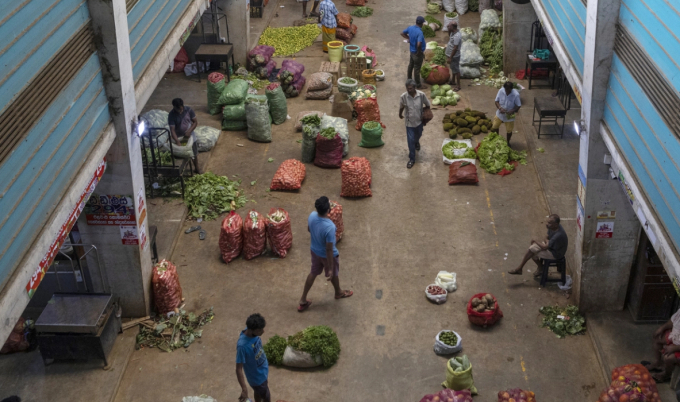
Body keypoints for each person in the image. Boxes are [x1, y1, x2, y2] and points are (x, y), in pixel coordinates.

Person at [298, 196, 353, 312]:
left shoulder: (312, 216)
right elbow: (329, 249)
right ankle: (338, 292)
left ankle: (303, 300)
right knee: (334, 275)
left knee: (313, 273)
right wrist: (331, 268)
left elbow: (309, 229)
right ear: (329, 210)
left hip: (314, 251)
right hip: (327, 255)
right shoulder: (330, 227)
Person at [236, 314, 270, 402]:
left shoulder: (250, 328)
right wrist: (244, 389)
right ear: (251, 330)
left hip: (262, 371)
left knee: (258, 392)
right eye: (259, 330)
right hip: (257, 378)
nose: (263, 332)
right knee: (266, 396)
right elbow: (238, 369)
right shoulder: (242, 346)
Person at [399, 79, 431, 169]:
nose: (409, 90)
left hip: (419, 121)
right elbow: (401, 106)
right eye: (407, 88)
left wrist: (425, 113)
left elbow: (428, 104)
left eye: (410, 88)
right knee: (410, 141)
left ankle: (417, 141)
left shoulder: (421, 95)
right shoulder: (403, 96)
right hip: (409, 123)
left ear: (414, 88)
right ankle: (412, 159)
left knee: (418, 135)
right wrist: (400, 114)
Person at [643, 309, 680, 383]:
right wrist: (662, 328)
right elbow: (673, 320)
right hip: (676, 337)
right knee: (657, 337)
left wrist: (674, 348)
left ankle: (667, 374)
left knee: (668, 357)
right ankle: (658, 364)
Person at [167, 98, 200, 173]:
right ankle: (184, 170)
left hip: (190, 135)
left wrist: (189, 131)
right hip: (180, 137)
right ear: (174, 107)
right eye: (178, 110)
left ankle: (197, 169)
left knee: (194, 153)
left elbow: (195, 122)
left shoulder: (188, 110)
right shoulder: (171, 115)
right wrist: (177, 141)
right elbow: (172, 130)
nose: (180, 111)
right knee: (184, 154)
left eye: (181, 109)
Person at [401, 16, 428, 90]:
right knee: (417, 69)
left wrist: (408, 38)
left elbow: (402, 33)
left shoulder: (410, 28)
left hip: (412, 51)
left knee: (411, 65)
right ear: (422, 23)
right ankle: (418, 85)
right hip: (417, 54)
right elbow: (419, 44)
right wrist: (419, 52)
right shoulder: (420, 32)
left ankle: (409, 79)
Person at [492, 81, 521, 146]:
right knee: (495, 126)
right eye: (506, 89)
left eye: (508, 89)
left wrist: (513, 110)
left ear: (511, 89)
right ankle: (497, 139)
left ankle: (508, 142)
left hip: (509, 116)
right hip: (500, 114)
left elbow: (518, 105)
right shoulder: (501, 91)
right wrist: (500, 108)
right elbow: (496, 101)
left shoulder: (516, 94)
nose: (507, 91)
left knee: (509, 130)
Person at [445, 22, 462, 91]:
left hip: (454, 56)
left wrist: (450, 57)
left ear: (453, 27)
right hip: (451, 54)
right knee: (453, 68)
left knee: (456, 70)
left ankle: (458, 85)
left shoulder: (457, 36)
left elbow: (455, 48)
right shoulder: (453, 32)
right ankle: (453, 81)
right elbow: (450, 37)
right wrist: (449, 30)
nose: (448, 26)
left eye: (449, 26)